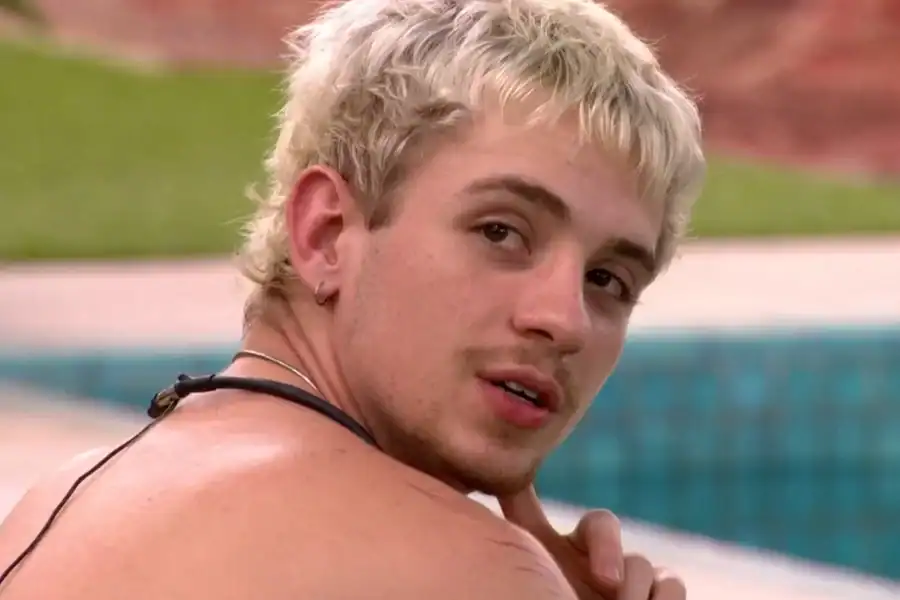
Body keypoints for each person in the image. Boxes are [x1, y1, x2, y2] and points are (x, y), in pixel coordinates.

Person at [0, 0, 705, 598]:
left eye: (608, 280)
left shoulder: (62, 501)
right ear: (327, 232)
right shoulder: (463, 570)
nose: (564, 320)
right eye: (501, 232)